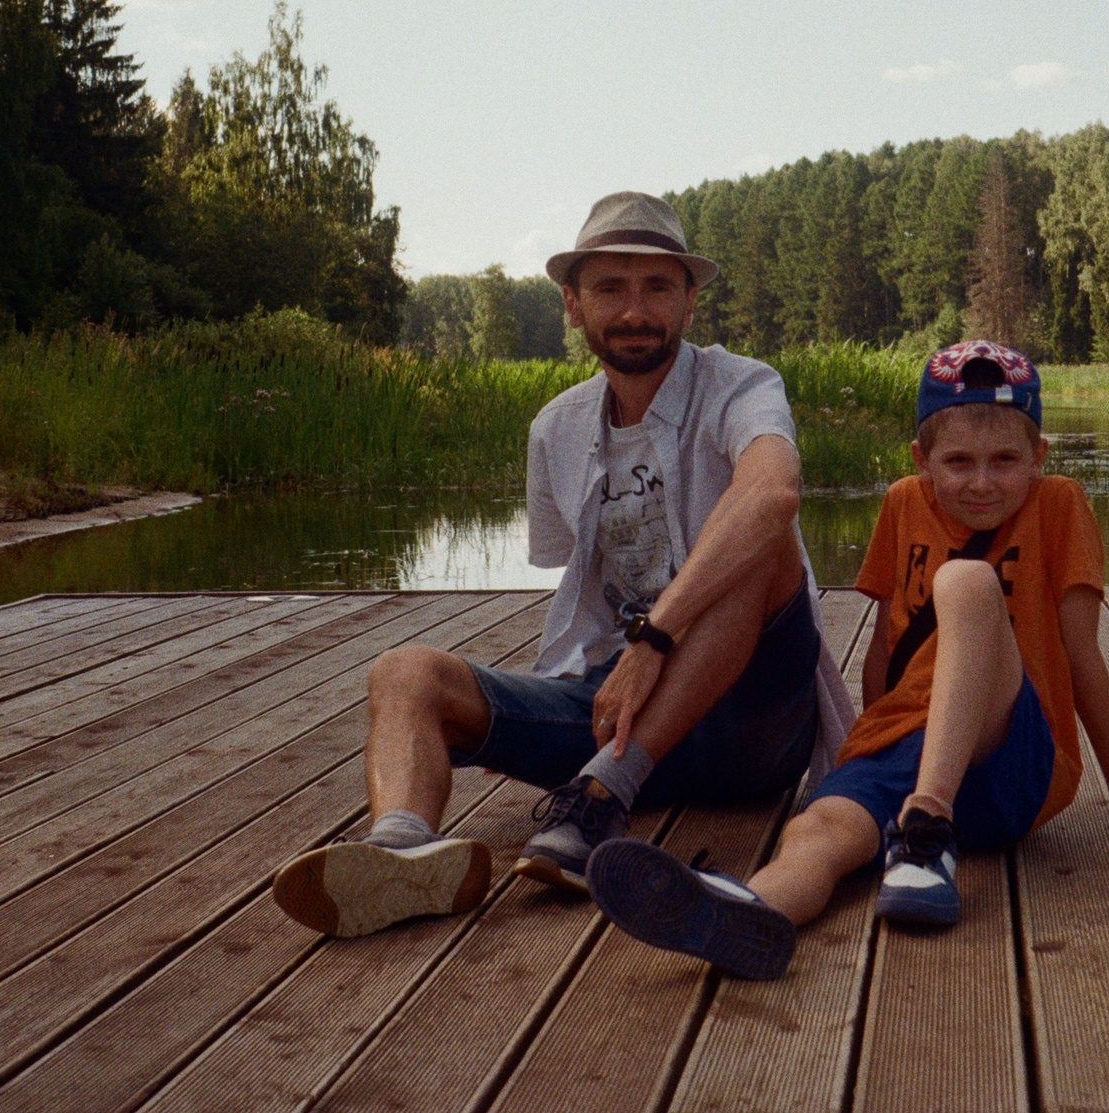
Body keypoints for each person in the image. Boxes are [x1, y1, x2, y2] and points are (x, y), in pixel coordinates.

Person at [271, 192, 850, 938]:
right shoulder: (557, 427)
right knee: (403, 671)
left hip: (750, 726)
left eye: (656, 287)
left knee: (760, 542)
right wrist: (621, 667)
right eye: (610, 287)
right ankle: (402, 854)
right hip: (619, 713)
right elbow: (577, 582)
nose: (635, 309)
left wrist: (654, 640)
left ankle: (604, 797)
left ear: (690, 301)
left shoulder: (742, 385)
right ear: (573, 305)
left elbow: (773, 492)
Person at [578, 339, 1109, 980]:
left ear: (1039, 456)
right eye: (958, 461)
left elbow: (1082, 654)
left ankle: (925, 825)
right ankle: (746, 908)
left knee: (967, 582)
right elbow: (888, 652)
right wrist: (860, 756)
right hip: (910, 737)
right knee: (821, 829)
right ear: (922, 459)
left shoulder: (1058, 505)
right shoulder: (900, 503)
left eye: (1005, 459)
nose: (981, 481)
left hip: (1014, 754)